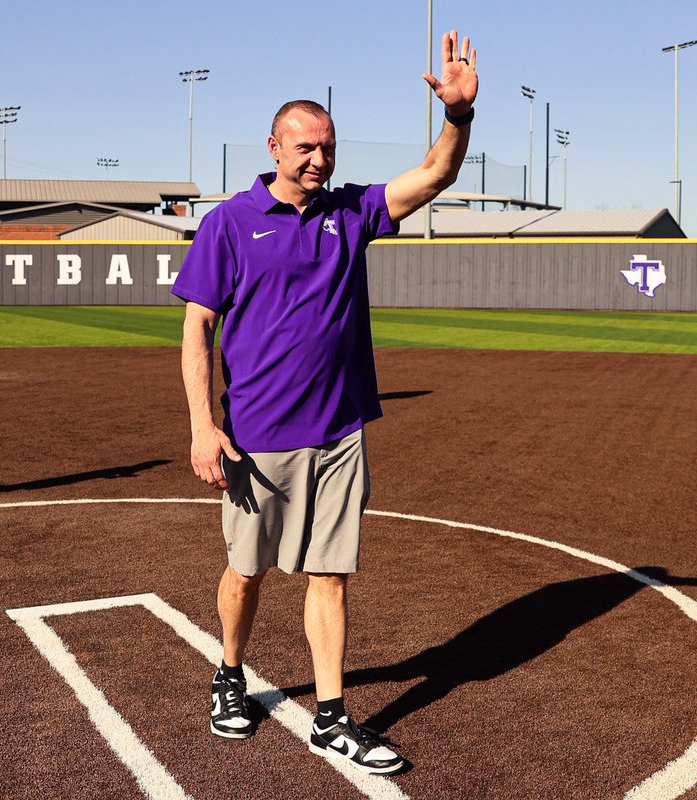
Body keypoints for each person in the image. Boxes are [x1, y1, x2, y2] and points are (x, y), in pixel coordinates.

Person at [172, 30, 477, 774]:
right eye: (304, 147)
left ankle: (332, 716)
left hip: (339, 432)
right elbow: (197, 331)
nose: (318, 159)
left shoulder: (353, 213)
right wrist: (204, 426)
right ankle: (230, 672)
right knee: (246, 573)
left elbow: (434, 176)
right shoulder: (228, 224)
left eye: (328, 147)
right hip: (255, 438)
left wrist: (460, 118)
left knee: (330, 575)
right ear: (274, 147)